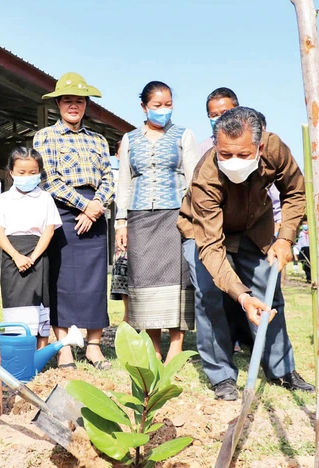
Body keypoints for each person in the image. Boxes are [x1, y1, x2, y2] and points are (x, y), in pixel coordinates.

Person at [178, 106, 315, 401]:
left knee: (270, 294)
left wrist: (285, 238)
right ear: (216, 144)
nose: (233, 162)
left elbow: (295, 192)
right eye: (225, 154)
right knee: (209, 296)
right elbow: (212, 248)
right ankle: (222, 376)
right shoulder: (205, 178)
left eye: (243, 154)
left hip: (255, 228)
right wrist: (241, 295)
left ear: (260, 146)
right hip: (205, 232)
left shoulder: (276, 148)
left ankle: (281, 370)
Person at [33, 72, 114, 370]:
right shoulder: (45, 136)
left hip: (95, 209)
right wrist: (84, 206)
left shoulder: (99, 140)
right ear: (58, 104)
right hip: (63, 211)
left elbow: (108, 176)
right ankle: (64, 346)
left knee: (95, 280)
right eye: (67, 100)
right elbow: (49, 179)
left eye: (79, 101)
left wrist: (95, 205)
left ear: (86, 104)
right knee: (62, 278)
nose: (73, 106)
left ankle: (93, 345)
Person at [115, 81, 197, 363]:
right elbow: (124, 183)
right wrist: (121, 222)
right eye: (157, 106)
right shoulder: (130, 139)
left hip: (174, 215)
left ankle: (176, 344)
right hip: (139, 218)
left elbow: (193, 179)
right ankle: (153, 344)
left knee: (177, 278)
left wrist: (191, 216)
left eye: (168, 105)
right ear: (143, 107)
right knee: (145, 280)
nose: (163, 111)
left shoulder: (183, 136)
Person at [0, 147, 62, 348]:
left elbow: (49, 231)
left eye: (32, 172)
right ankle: (19, 349)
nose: (27, 177)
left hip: (39, 256)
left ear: (39, 172)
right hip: (11, 255)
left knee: (41, 302)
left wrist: (33, 257)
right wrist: (16, 256)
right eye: (21, 173)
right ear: (11, 172)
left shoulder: (46, 198)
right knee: (15, 302)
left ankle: (40, 351)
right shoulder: (3, 199)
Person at [109, 139, 129, 322]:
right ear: (117, 156)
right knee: (123, 275)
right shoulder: (113, 177)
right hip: (123, 230)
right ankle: (128, 317)